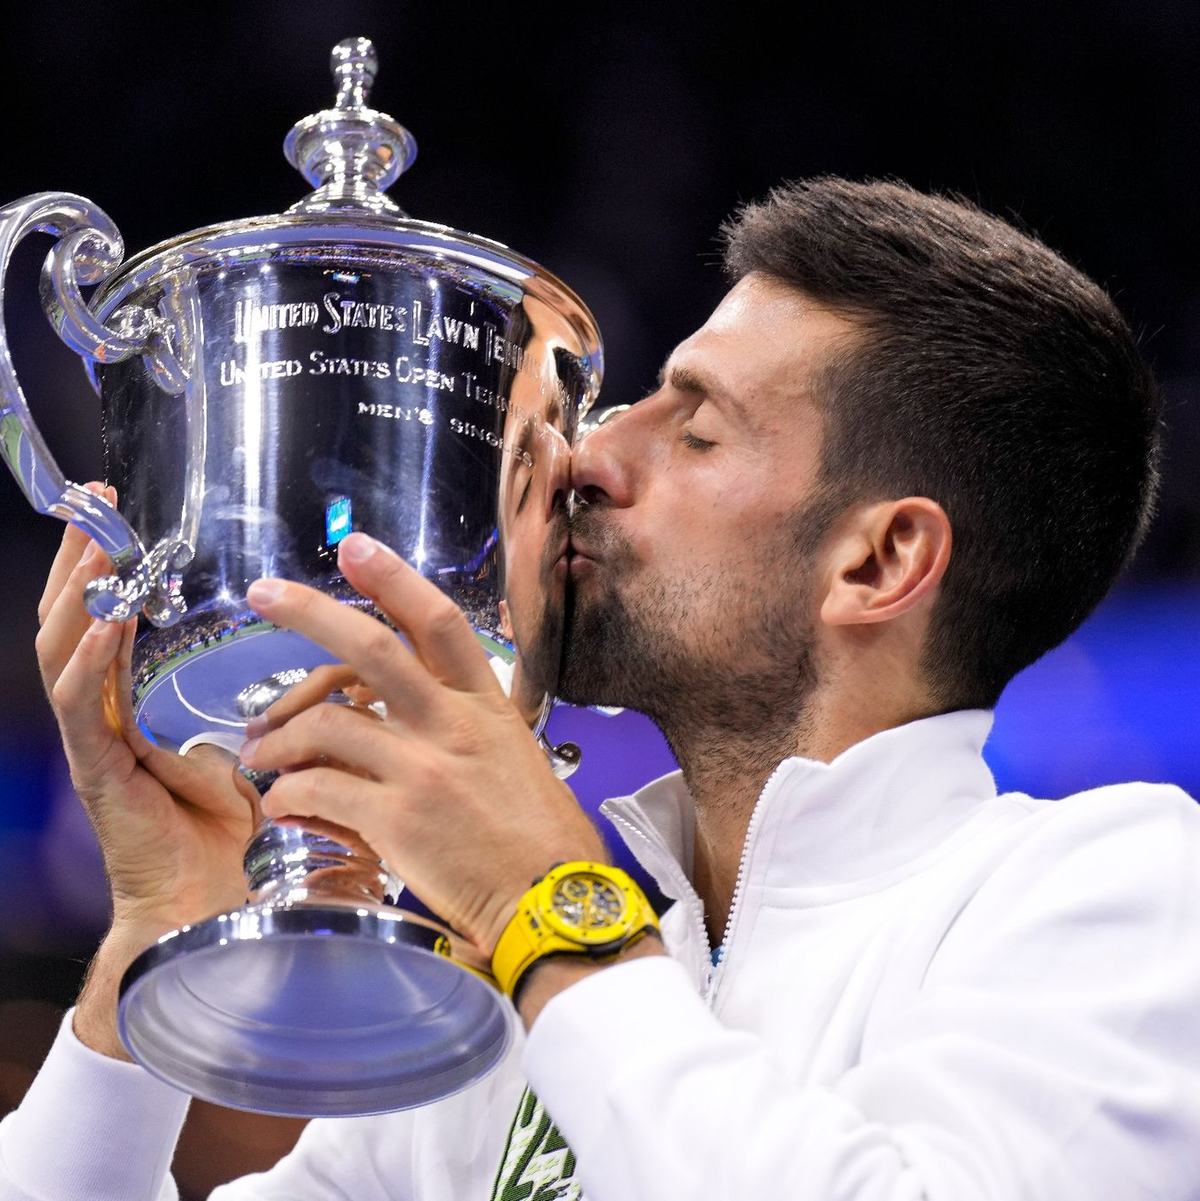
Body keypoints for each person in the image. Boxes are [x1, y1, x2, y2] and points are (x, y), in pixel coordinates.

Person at [3, 176, 1199, 1201]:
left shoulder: (1122, 893)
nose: (586, 457)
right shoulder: (503, 1028)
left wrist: (545, 904)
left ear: (878, 560)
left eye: (695, 431)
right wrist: (162, 930)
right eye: (627, 407)